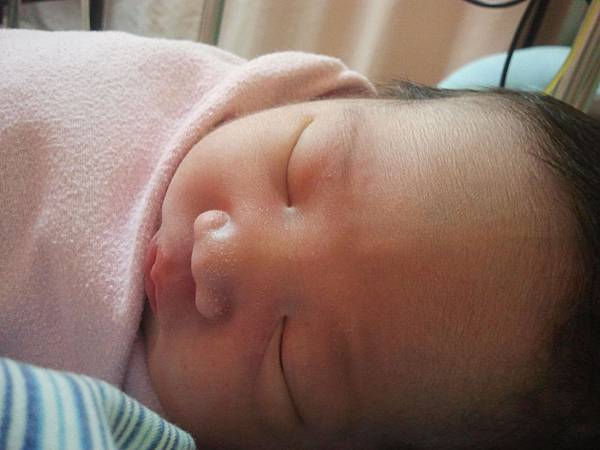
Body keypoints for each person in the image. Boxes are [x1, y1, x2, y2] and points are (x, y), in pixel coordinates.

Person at [2, 29, 600, 450]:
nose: (217, 256)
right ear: (330, 99)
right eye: (294, 170)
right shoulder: (225, 97)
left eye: (292, 362)